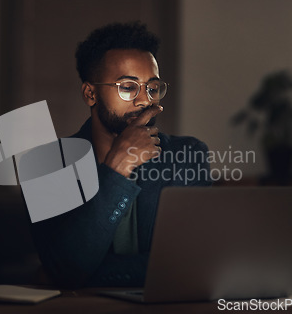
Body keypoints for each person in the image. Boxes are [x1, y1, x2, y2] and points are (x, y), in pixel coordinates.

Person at [30, 21, 211, 288]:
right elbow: (67, 268)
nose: (144, 100)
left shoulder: (186, 155)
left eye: (152, 87)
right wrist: (117, 169)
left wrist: (93, 276)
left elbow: (195, 262)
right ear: (90, 93)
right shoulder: (46, 165)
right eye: (127, 87)